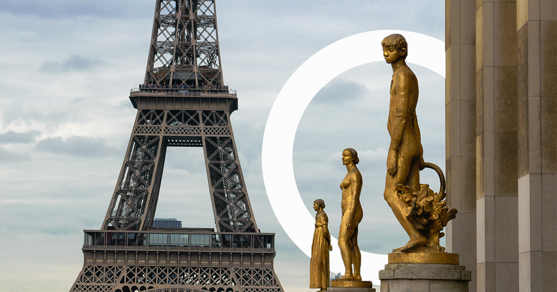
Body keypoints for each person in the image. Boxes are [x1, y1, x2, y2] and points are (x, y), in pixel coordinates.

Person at [381, 34, 426, 252]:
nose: (385, 52)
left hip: (403, 145)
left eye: (390, 48)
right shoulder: (408, 75)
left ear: (402, 51)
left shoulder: (402, 76)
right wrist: (420, 148)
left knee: (390, 193)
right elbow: (413, 115)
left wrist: (392, 150)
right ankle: (422, 241)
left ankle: (416, 236)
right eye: (384, 48)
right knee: (413, 200)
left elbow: (402, 116)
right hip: (411, 143)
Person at [337, 148, 363, 280]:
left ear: (353, 157)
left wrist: (350, 215)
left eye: (346, 155)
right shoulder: (350, 173)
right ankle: (357, 275)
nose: (343, 157)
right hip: (348, 210)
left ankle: (348, 273)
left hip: (352, 210)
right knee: (352, 243)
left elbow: (355, 196)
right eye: (342, 155)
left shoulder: (355, 174)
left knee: (342, 241)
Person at [310, 199, 332, 291]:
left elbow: (325, 230)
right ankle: (322, 285)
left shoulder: (322, 215)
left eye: (314, 204)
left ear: (319, 205)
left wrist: (329, 242)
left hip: (321, 239)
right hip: (318, 238)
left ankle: (324, 286)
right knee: (319, 261)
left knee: (321, 260)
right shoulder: (319, 215)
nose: (313, 206)